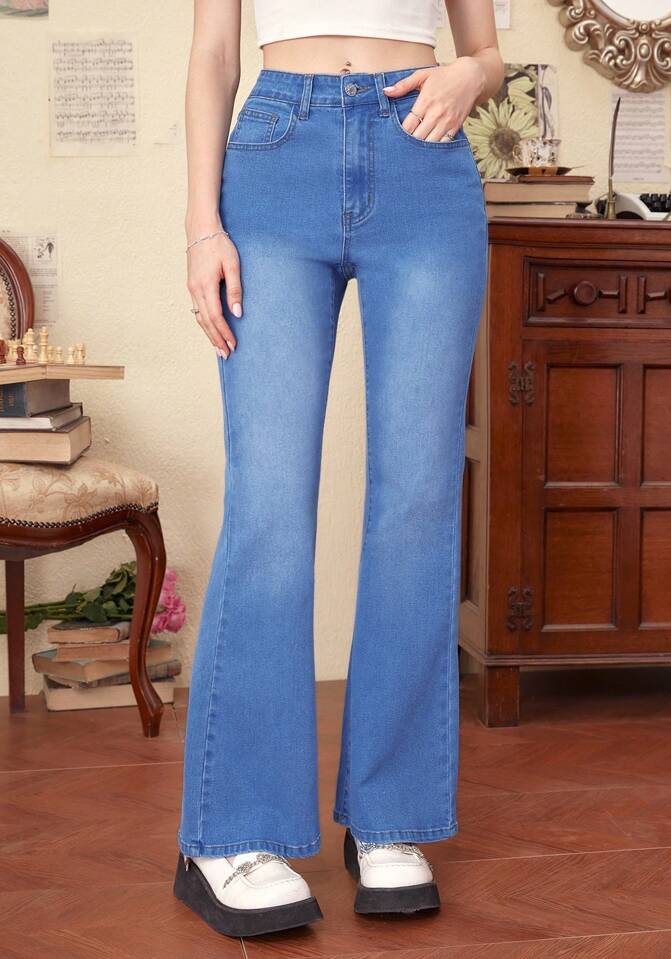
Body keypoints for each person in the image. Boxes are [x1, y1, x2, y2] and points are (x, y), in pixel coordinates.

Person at [174, 0, 503, 938]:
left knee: (418, 501)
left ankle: (390, 817)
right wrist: (202, 225)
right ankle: (231, 834)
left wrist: (471, 75)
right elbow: (213, 52)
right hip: (278, 154)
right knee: (271, 505)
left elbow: (486, 53)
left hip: (423, 160)